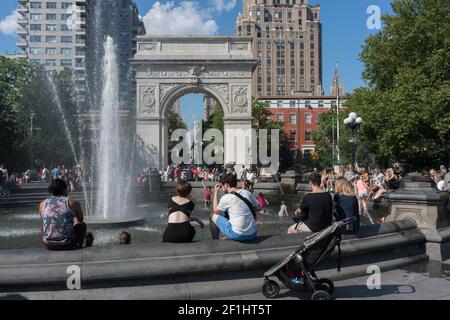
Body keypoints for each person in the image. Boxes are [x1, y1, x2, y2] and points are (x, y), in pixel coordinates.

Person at [39, 179, 93, 250]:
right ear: (64, 189)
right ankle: (78, 246)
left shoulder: (42, 204)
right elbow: (80, 219)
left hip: (48, 245)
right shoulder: (72, 202)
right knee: (82, 225)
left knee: (43, 226)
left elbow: (44, 220)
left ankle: (50, 241)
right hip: (67, 244)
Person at [210, 174, 262, 241]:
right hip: (253, 234)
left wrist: (216, 191)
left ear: (226, 185)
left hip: (238, 235)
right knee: (229, 213)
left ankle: (215, 241)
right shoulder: (247, 192)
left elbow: (216, 211)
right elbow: (259, 208)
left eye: (222, 186)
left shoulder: (226, 197)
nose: (222, 188)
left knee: (212, 215)